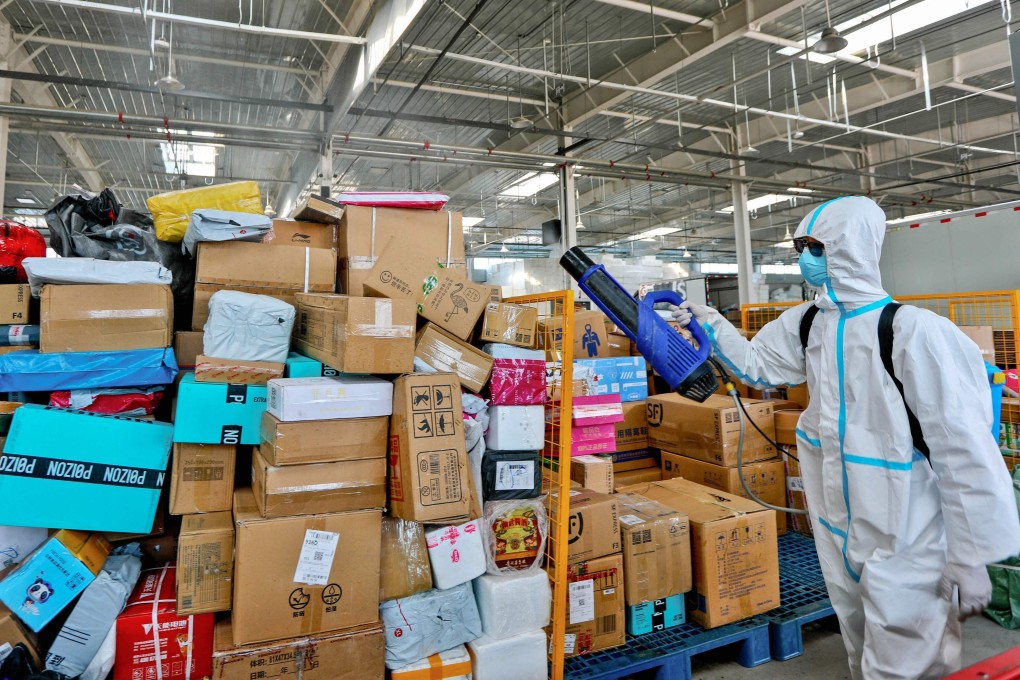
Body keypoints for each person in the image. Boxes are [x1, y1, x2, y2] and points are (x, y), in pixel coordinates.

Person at [671, 196, 1020, 679]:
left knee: (906, 659)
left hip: (906, 528)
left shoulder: (912, 331)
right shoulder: (810, 322)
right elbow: (757, 365)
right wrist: (709, 323)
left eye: (816, 246)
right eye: (801, 247)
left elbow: (962, 449)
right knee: (859, 642)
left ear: (851, 248)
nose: (805, 258)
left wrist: (970, 553)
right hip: (837, 523)